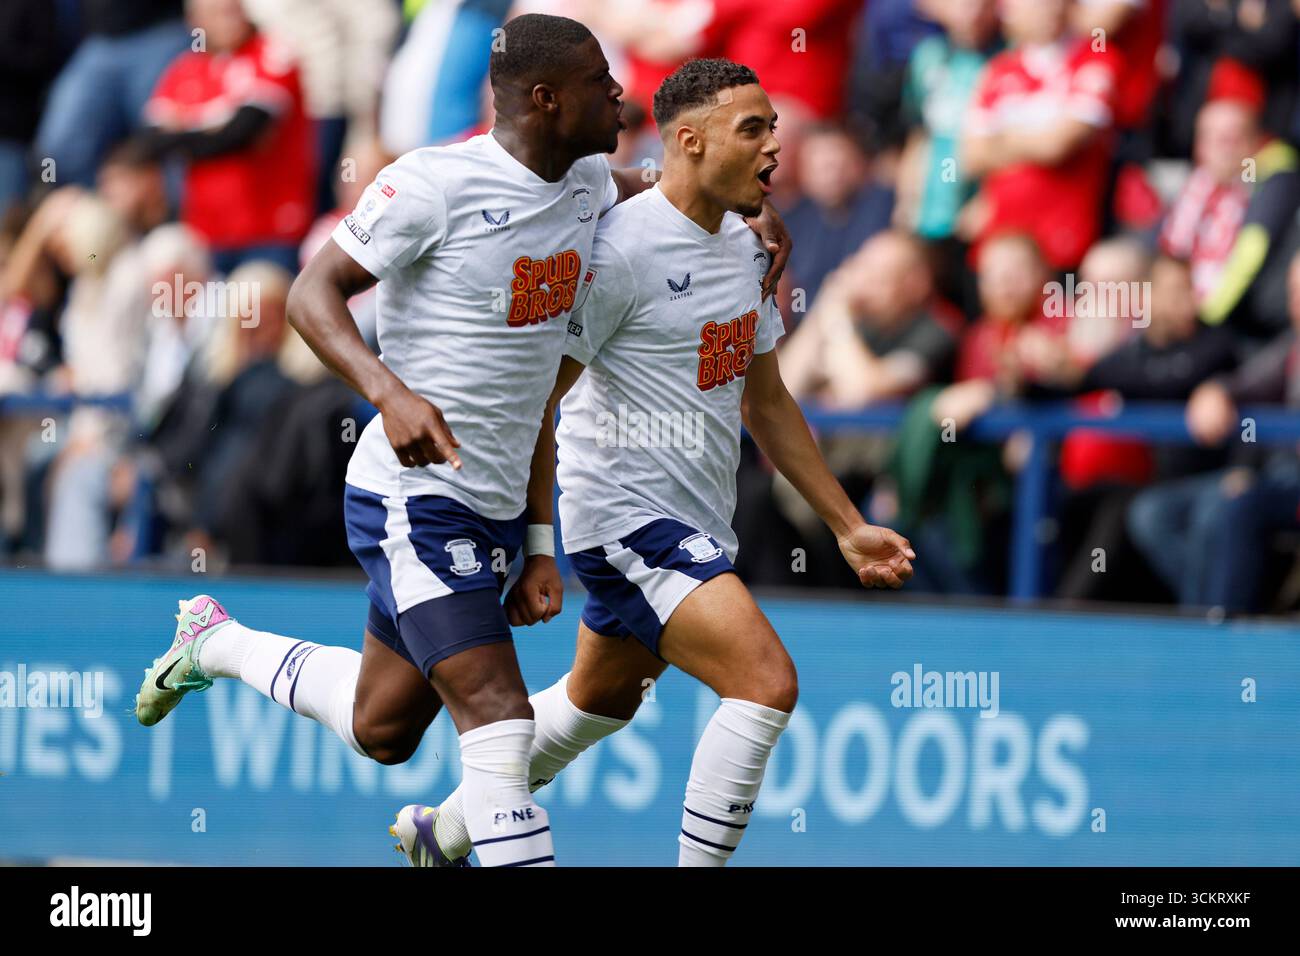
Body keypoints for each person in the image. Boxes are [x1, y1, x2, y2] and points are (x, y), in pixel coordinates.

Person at [132, 15, 789, 869]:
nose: (621, 93)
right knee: (500, 718)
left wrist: (752, 224)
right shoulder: (433, 185)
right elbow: (309, 296)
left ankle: (212, 640)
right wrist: (388, 393)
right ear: (547, 99)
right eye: (601, 82)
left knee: (384, 726)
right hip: (413, 498)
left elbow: (670, 188)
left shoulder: (590, 183)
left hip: (495, 508)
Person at [390, 59, 914, 867]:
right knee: (766, 681)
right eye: (754, 129)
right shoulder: (618, 254)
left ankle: (445, 829)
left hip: (699, 518)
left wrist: (846, 526)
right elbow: (540, 397)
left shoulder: (748, 250)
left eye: (774, 126)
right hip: (625, 519)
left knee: (599, 704)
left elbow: (766, 400)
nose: (776, 146)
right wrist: (536, 541)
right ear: (690, 141)